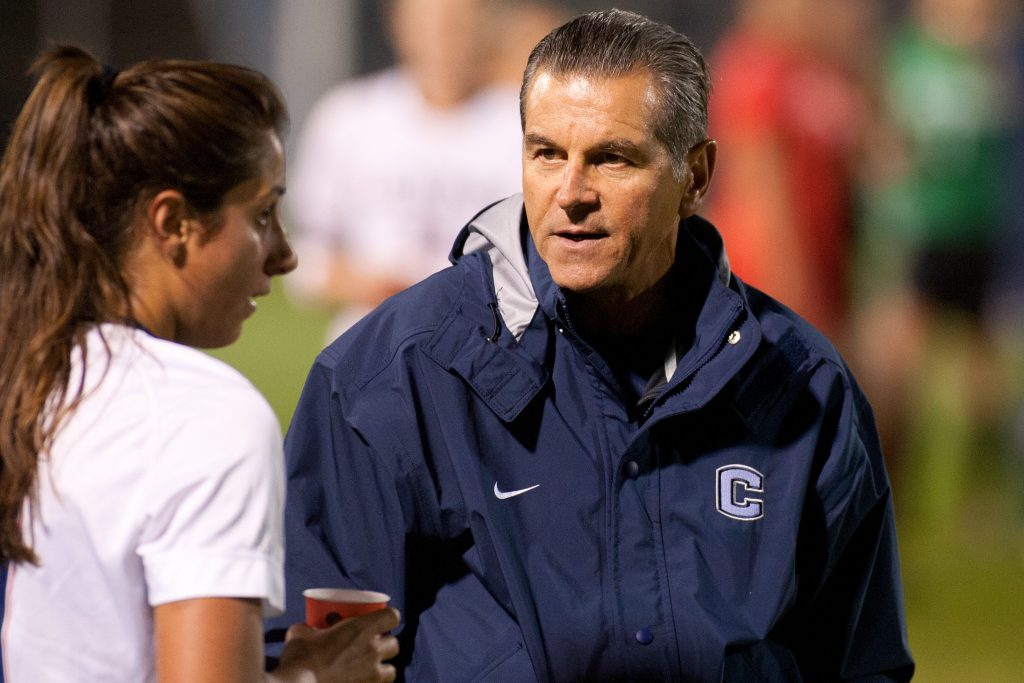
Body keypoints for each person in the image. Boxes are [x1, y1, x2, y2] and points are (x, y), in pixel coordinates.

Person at [270, 10, 914, 681]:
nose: (571, 193)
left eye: (612, 158)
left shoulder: (803, 384)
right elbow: (313, 657)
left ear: (695, 175)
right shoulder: (389, 375)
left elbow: (862, 662)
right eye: (546, 153)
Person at [0, 46, 399, 682]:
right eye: (263, 214)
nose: (285, 255)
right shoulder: (204, 415)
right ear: (174, 222)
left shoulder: (32, 372)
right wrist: (318, 676)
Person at [285, 0, 565, 340]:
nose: (442, 37)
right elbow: (305, 260)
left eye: (457, 23)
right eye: (429, 21)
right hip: (372, 346)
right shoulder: (348, 117)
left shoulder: (523, 124)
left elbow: (550, 254)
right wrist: (373, 284)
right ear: (398, 24)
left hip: (488, 347)